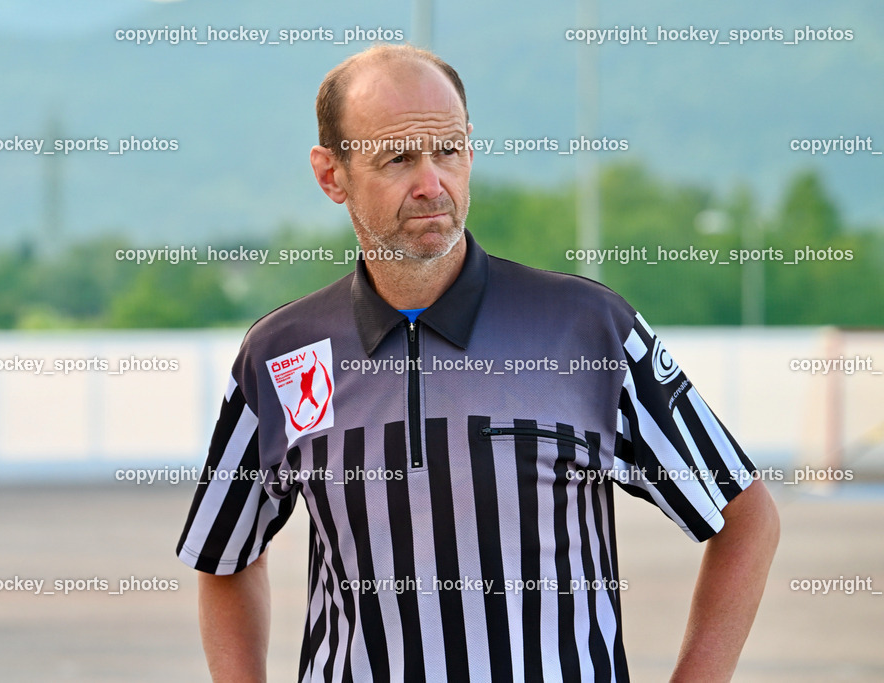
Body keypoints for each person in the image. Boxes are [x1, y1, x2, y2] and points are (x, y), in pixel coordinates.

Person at [176, 44, 779, 682]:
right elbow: (224, 554)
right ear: (332, 175)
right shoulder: (284, 355)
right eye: (399, 158)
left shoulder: (585, 331)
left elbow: (742, 513)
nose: (431, 183)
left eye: (450, 150)